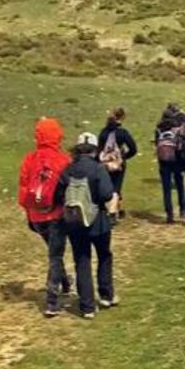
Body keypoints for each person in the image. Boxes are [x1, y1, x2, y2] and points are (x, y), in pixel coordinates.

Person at [16, 117, 72, 318]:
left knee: (53, 251)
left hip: (36, 216)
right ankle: (52, 301)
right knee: (55, 256)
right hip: (56, 216)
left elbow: (24, 190)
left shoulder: (29, 159)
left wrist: (29, 215)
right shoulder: (64, 160)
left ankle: (65, 282)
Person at [58, 132, 119, 317]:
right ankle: (106, 295)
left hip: (75, 222)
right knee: (104, 255)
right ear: (95, 150)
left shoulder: (68, 169)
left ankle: (87, 307)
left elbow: (58, 194)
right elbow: (106, 194)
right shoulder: (98, 169)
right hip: (97, 221)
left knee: (82, 260)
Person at [96, 108, 139, 218]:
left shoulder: (103, 133)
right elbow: (133, 149)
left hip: (105, 162)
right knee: (116, 186)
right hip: (118, 163)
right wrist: (124, 157)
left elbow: (99, 149)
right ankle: (112, 212)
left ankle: (119, 208)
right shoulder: (123, 133)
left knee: (109, 185)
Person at [154, 111, 185, 223]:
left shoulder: (158, 130)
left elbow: (157, 144)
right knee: (180, 185)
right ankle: (183, 210)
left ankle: (169, 215)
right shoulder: (176, 129)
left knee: (166, 189)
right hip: (176, 160)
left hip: (163, 162)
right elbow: (180, 145)